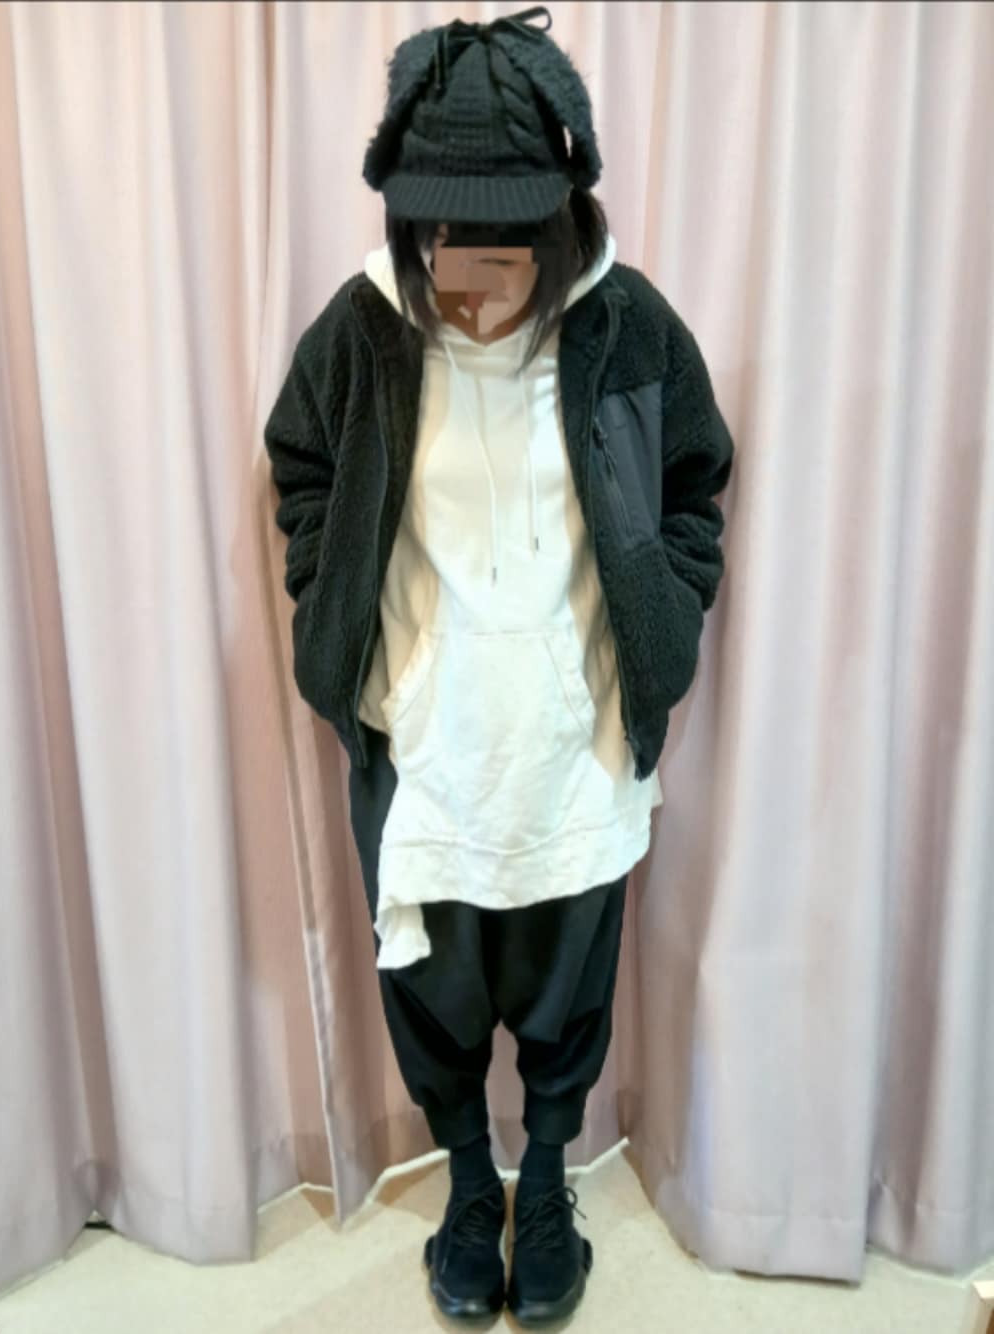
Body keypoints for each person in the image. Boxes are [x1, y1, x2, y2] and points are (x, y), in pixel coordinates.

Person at [263, 5, 735, 1326]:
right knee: (434, 987)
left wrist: (668, 608)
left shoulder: (625, 325)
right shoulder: (365, 330)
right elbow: (301, 470)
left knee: (568, 985)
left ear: (561, 208)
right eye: (443, 230)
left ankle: (552, 1184)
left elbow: (694, 482)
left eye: (509, 228)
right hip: (424, 744)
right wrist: (330, 599)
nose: (473, 258)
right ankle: (473, 1183)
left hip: (573, 743)